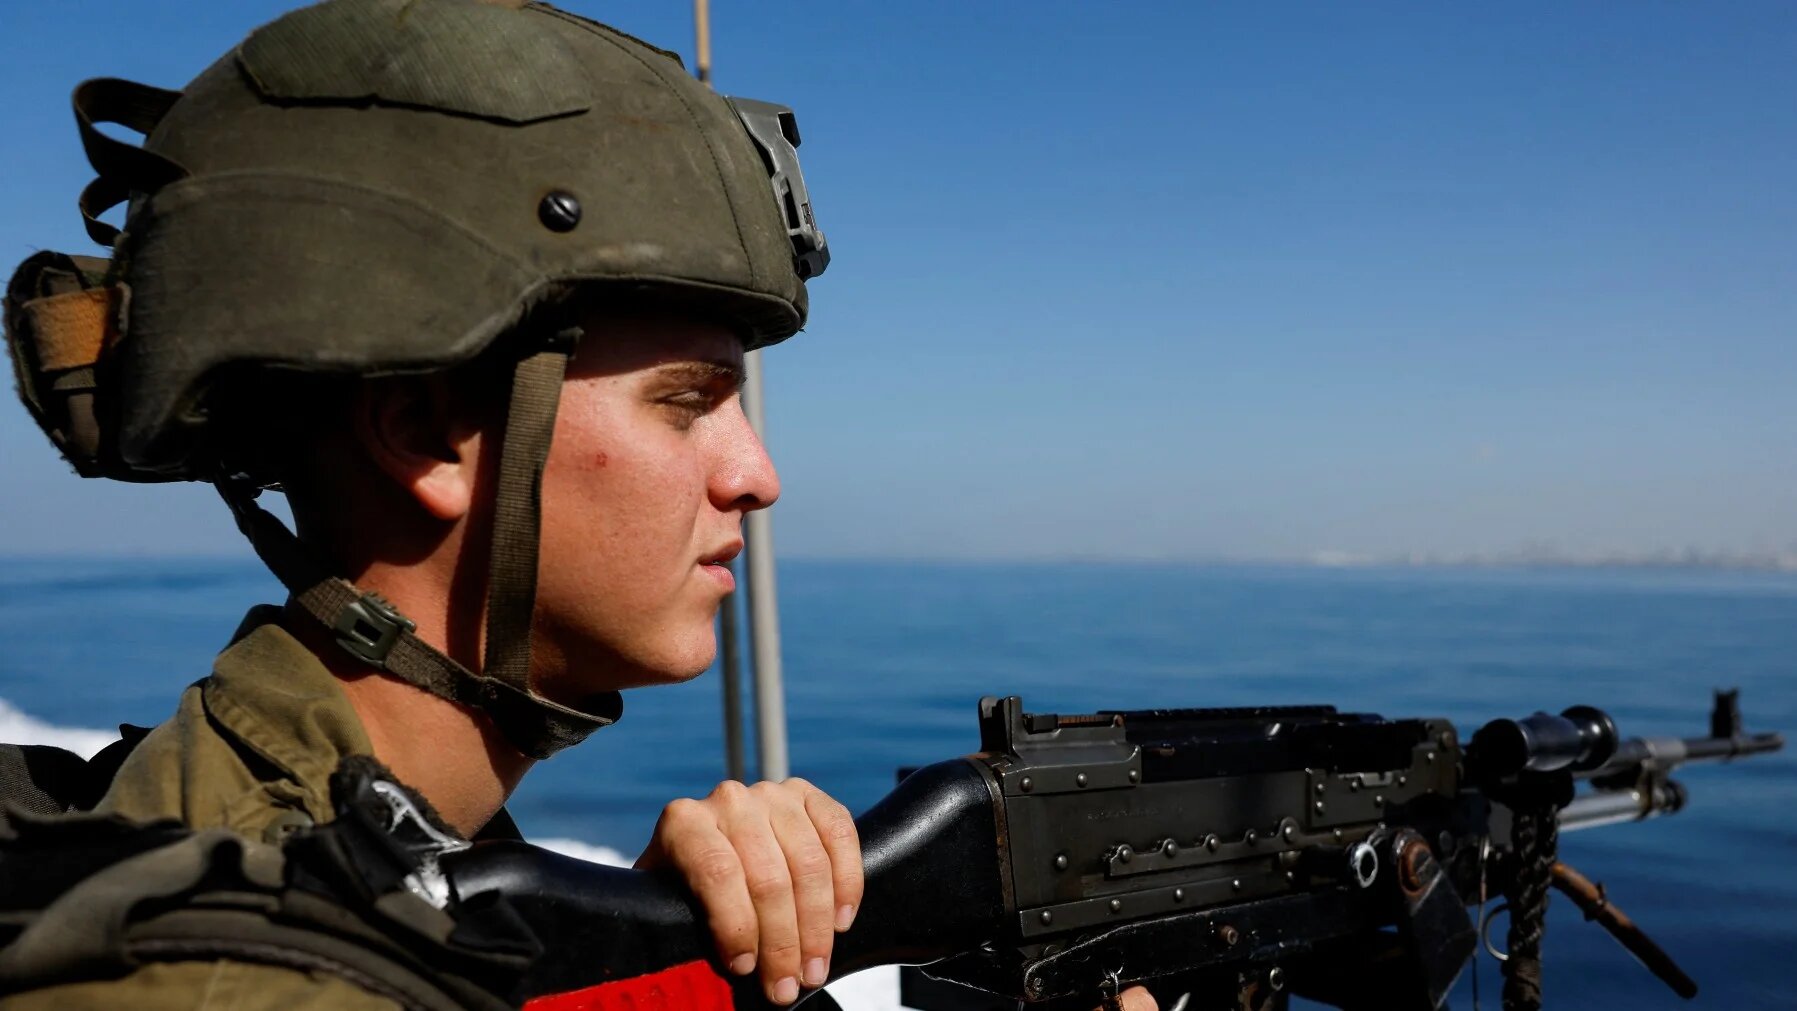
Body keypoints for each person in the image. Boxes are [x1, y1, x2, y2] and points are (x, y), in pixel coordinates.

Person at [1, 1, 1154, 1008]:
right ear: (427, 436)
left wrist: (677, 958)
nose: (758, 475)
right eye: (686, 400)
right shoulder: (256, 972)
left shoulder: (364, 864)